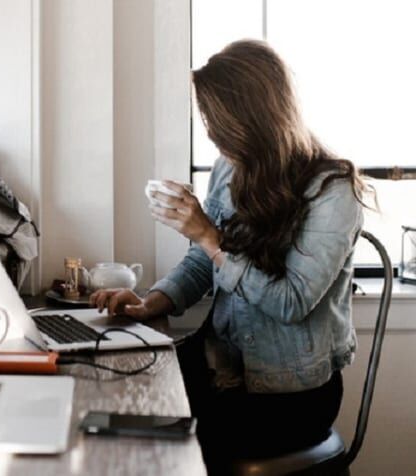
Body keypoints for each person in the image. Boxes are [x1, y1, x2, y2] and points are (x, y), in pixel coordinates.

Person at [90, 39, 366, 473]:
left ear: (253, 117)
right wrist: (151, 304)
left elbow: (290, 303)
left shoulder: (332, 190)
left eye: (218, 122)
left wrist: (209, 236)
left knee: (153, 441)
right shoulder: (230, 168)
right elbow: (203, 261)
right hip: (221, 368)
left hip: (290, 396)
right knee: (110, 395)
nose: (212, 134)